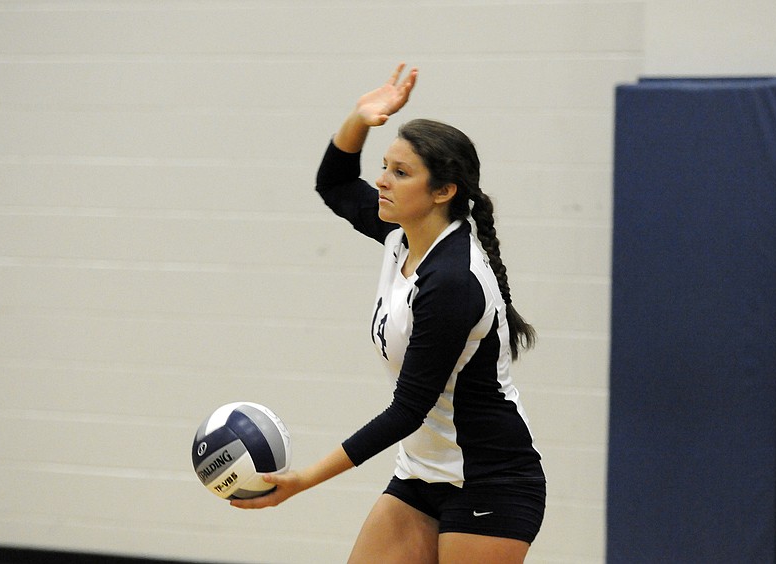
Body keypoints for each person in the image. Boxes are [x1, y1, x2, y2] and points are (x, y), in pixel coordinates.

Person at [232, 63, 546, 563]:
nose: (381, 181)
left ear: (443, 192)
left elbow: (407, 410)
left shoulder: (452, 282)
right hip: (422, 473)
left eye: (400, 173)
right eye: (384, 166)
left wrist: (304, 479)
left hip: (491, 482)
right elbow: (334, 184)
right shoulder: (403, 238)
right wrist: (360, 117)